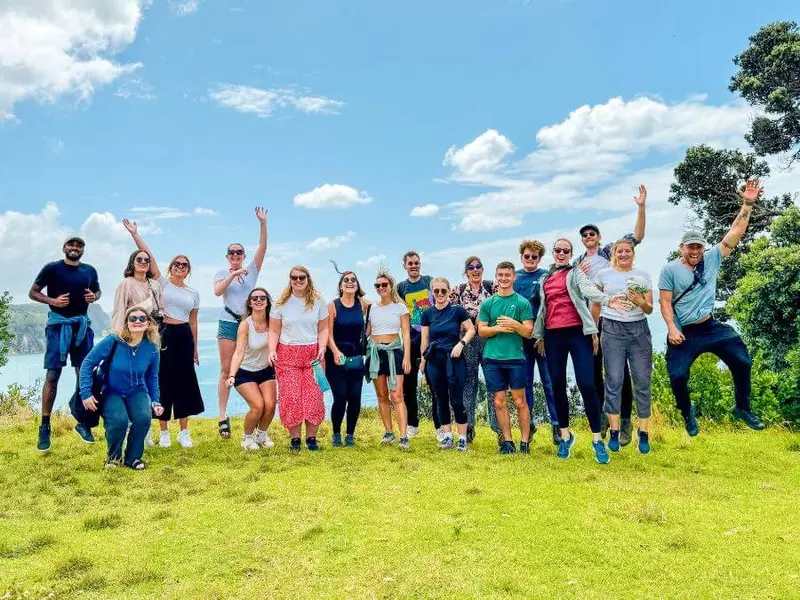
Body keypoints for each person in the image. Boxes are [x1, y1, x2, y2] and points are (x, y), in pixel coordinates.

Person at [658, 179, 766, 436]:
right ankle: (687, 412)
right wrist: (672, 328)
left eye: (698, 246)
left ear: (702, 248)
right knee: (677, 376)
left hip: (710, 325)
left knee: (742, 361)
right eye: (690, 247)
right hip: (684, 330)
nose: (695, 251)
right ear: (681, 248)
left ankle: (743, 407)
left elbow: (736, 231)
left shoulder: (712, 258)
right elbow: (664, 302)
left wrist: (748, 203)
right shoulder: (670, 270)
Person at [534, 239, 631, 464]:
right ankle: (565, 436)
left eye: (565, 251)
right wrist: (539, 336)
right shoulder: (545, 279)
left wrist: (608, 300)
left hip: (578, 333)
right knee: (557, 385)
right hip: (552, 336)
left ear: (570, 253)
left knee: (587, 384)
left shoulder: (576, 273)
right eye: (557, 250)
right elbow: (542, 309)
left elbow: (589, 290)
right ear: (553, 252)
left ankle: (597, 440)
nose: (560, 253)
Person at [123, 220, 204, 449]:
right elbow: (149, 256)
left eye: (185, 265)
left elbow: (194, 321)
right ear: (171, 268)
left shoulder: (193, 293)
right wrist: (135, 235)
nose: (180, 267)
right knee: (163, 381)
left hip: (184, 335)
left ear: (188, 270)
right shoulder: (162, 283)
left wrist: (195, 348)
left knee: (185, 381)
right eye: (177, 264)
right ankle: (164, 432)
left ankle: (184, 432)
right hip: (164, 333)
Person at [577, 185, 647, 446]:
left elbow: (637, 235)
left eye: (591, 233)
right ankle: (604, 417)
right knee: (593, 373)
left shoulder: (609, 251)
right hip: (590, 321)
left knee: (619, 373)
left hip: (615, 318)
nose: (588, 237)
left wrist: (641, 206)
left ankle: (626, 422)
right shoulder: (579, 262)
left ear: (598, 236)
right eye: (584, 235)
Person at [29, 235, 101, 451]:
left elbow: (97, 291)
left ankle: (83, 423)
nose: (75, 248)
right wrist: (52, 301)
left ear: (83, 250)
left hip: (82, 327)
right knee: (52, 376)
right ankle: (45, 427)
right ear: (64, 248)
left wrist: (94, 297)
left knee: (85, 374)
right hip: (58, 327)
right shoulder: (51, 269)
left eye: (79, 245)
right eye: (71, 244)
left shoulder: (90, 270)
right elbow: (33, 292)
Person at [79, 307, 163, 470]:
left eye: (141, 319)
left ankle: (133, 458)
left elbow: (151, 378)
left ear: (148, 323)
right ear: (126, 323)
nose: (137, 321)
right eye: (133, 319)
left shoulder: (152, 348)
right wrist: (86, 393)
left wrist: (155, 401)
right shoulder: (113, 341)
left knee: (143, 419)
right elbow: (88, 363)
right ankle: (113, 458)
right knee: (119, 421)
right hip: (111, 391)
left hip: (137, 391)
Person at [594, 239, 654, 454]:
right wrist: (593, 331)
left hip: (638, 330)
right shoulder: (603, 276)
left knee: (642, 380)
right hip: (611, 329)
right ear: (614, 254)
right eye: (619, 251)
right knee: (614, 380)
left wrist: (640, 301)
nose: (623, 254)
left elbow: (649, 309)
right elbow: (595, 302)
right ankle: (614, 431)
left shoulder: (643, 275)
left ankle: (644, 433)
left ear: (632, 253)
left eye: (627, 251)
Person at [214, 207, 268, 440]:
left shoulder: (252, 270)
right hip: (228, 321)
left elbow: (263, 247)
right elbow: (217, 292)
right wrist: (232, 275)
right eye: (231, 253)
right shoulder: (221, 271)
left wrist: (263, 223)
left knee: (256, 361)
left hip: (249, 321)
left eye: (239, 252)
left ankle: (257, 405)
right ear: (227, 256)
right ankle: (222, 416)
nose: (235, 255)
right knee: (226, 369)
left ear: (244, 255)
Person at [269, 266, 329, 452]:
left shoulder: (319, 301)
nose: (298, 281)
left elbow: (323, 328)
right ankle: (295, 439)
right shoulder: (281, 303)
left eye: (301, 277)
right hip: (287, 354)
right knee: (291, 397)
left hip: (313, 354)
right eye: (294, 278)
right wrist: (272, 349)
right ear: (290, 280)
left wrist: (322, 347)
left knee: (314, 397)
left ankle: (311, 438)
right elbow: (274, 330)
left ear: (308, 279)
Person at [477, 261, 534, 455]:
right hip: (492, 358)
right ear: (496, 276)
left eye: (507, 275)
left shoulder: (522, 303)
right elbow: (481, 330)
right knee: (499, 402)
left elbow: (528, 332)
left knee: (520, 402)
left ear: (514, 277)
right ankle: (507, 442)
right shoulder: (488, 303)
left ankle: (524, 442)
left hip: (515, 358)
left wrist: (514, 324)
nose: (504, 278)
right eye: (500, 275)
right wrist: (498, 328)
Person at [512, 239, 559, 446]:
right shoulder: (515, 278)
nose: (530, 259)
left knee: (550, 383)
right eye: (527, 256)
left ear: (540, 258)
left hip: (544, 338)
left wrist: (541, 335)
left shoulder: (545, 277)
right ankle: (528, 426)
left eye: (534, 256)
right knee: (526, 384)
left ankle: (557, 425)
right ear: (521, 257)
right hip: (521, 340)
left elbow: (548, 307)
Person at [421, 277, 475, 451]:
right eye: (436, 291)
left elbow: (471, 329)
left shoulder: (457, 311)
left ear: (449, 290)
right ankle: (447, 437)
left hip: (454, 359)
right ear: (432, 292)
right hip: (434, 360)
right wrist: (423, 362)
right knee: (440, 398)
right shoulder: (427, 314)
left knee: (457, 399)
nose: (439, 294)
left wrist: (462, 343)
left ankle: (462, 438)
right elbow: (425, 341)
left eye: (443, 290)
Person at [449, 256, 495, 443]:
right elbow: (449, 313)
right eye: (471, 267)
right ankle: (467, 429)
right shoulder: (457, 291)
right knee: (468, 386)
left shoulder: (493, 287)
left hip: (489, 339)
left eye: (478, 267)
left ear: (483, 269)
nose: (475, 270)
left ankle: (498, 429)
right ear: (466, 271)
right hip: (466, 341)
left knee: (494, 384)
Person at [365, 271, 412, 450]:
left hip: (394, 352)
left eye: (384, 285)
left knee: (397, 396)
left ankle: (403, 436)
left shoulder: (400, 307)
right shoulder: (371, 308)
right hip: (376, 353)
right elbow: (367, 332)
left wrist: (406, 356)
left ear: (391, 286)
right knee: (382, 395)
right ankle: (388, 432)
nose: (381, 288)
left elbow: (406, 333)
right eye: (377, 285)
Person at [226, 288, 277, 451]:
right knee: (258, 406)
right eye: (254, 298)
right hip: (245, 372)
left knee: (270, 405)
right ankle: (247, 438)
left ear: (268, 301)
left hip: (265, 370)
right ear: (250, 303)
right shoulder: (245, 325)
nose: (258, 300)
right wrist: (232, 375)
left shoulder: (273, 322)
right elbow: (239, 351)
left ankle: (261, 434)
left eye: (262, 297)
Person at [326, 269, 370, 447]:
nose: (350, 282)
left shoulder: (363, 304)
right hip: (336, 356)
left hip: (356, 356)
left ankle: (350, 434)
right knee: (341, 396)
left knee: (355, 397)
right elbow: (328, 334)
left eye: (353, 280)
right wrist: (336, 351)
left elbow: (370, 324)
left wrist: (366, 338)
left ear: (357, 285)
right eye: (346, 280)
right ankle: (336, 433)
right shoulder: (333, 306)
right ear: (341, 285)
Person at [396, 251, 434, 440]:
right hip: (410, 343)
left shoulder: (429, 281)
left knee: (435, 384)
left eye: (416, 263)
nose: (414, 266)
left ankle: (440, 427)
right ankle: (413, 424)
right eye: (410, 263)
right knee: (408, 386)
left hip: (431, 341)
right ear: (404, 265)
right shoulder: (401, 287)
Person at [110, 248, 164, 333]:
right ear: (132, 263)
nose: (143, 262)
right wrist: (118, 336)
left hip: (152, 332)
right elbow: (119, 311)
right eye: (139, 259)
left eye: (146, 260)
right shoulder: (125, 284)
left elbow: (161, 308)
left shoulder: (155, 284)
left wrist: (159, 315)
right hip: (132, 332)